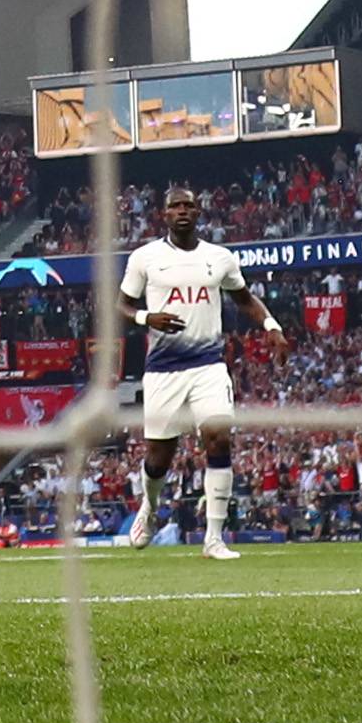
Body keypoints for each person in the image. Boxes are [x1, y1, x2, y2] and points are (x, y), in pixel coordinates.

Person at [116, 186, 287, 562]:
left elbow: (244, 298)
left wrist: (271, 325)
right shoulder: (145, 258)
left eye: (188, 206)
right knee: (159, 457)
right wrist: (148, 317)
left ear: (198, 212)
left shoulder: (219, 257)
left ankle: (214, 538)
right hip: (163, 369)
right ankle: (149, 506)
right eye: (174, 205)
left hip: (209, 364)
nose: (181, 211)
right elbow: (122, 306)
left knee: (218, 437)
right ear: (163, 214)